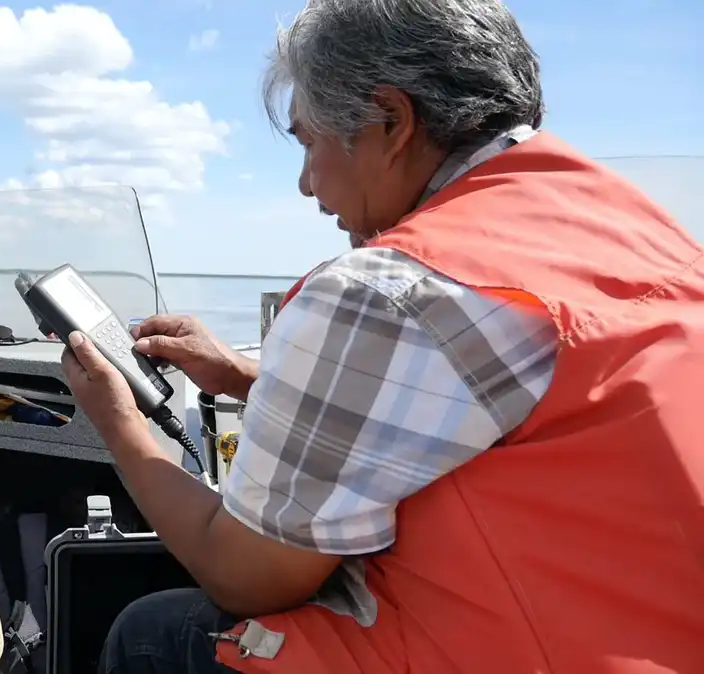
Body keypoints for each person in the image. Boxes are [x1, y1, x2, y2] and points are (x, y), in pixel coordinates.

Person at [60, 1, 704, 673]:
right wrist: (250, 379)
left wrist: (119, 422)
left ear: (391, 121)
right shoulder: (644, 234)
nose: (307, 183)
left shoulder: (389, 289)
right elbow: (528, 416)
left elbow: (242, 572)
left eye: (308, 142)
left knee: (154, 632)